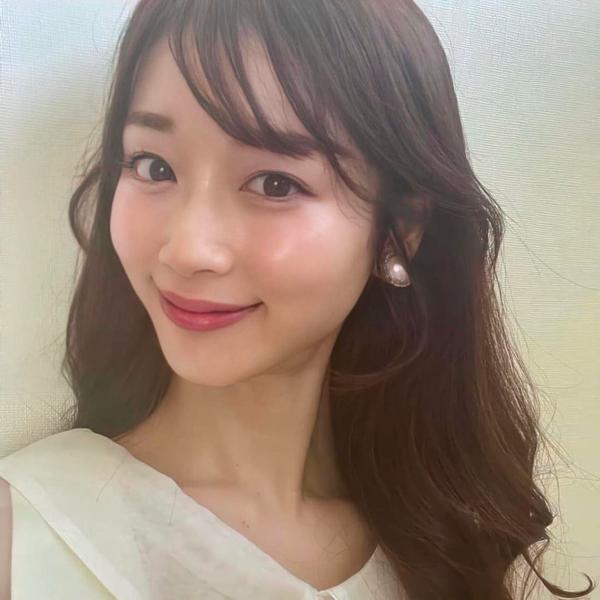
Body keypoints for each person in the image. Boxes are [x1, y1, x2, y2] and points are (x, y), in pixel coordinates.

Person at [0, 1, 595, 599]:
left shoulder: (446, 541)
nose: (188, 250)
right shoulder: (27, 532)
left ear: (398, 232)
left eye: (275, 183)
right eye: (154, 167)